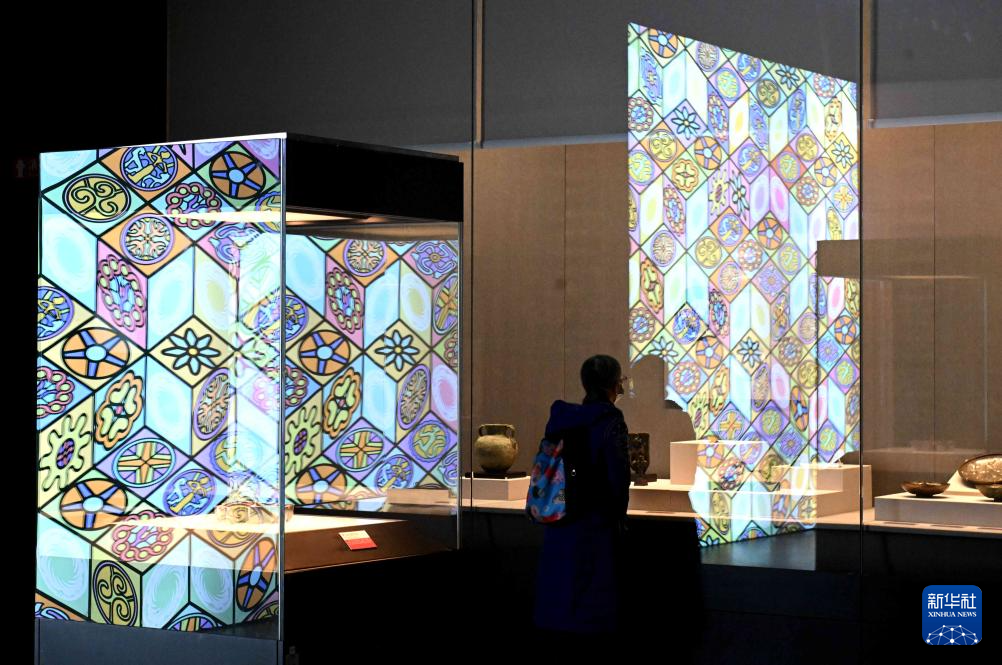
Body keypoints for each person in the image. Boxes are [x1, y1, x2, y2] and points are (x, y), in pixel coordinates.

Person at [532, 354, 631, 644]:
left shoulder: (562, 418)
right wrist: (619, 516)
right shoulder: (610, 420)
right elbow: (617, 476)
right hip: (595, 521)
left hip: (560, 515)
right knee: (592, 602)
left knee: (560, 592)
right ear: (615, 385)